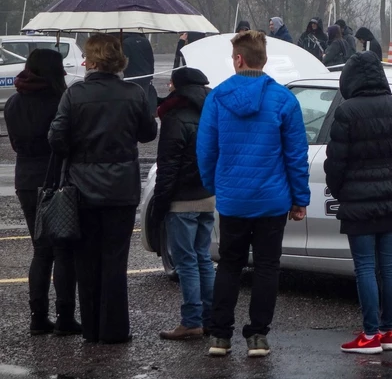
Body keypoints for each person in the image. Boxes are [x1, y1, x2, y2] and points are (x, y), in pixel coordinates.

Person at [197, 30, 310, 358]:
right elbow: (295, 154)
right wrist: (299, 198)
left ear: (238, 59)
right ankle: (258, 336)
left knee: (230, 265)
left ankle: (219, 336)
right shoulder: (284, 100)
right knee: (266, 267)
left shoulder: (217, 98)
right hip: (272, 200)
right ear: (263, 60)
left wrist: (215, 185)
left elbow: (205, 151)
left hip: (233, 198)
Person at [48, 34, 159, 344]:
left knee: (86, 260)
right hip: (121, 189)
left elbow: (56, 138)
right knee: (115, 260)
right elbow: (148, 133)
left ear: (93, 61)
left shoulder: (74, 95)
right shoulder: (134, 93)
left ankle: (92, 328)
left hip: (81, 189)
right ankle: (114, 329)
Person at [325, 52, 392, 355]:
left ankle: (369, 335)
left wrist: (339, 190)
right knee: (389, 264)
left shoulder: (346, 112)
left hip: (358, 202)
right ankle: (388, 331)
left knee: (365, 266)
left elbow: (335, 162)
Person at [4, 49, 80, 337]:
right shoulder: (61, 101)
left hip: (25, 178)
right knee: (62, 250)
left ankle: (38, 315)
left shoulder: (13, 103)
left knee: (40, 250)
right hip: (56, 177)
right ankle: (65, 316)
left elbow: (14, 143)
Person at [151, 67, 215, 341]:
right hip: (207, 195)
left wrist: (160, 204)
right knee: (203, 258)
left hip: (182, 199)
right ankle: (211, 317)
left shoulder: (175, 117)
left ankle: (191, 321)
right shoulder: (212, 111)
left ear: (179, 87)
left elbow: (168, 166)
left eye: (171, 83)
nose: (168, 87)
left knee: (186, 260)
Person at [122, 32, 157, 115]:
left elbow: (125, 60)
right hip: (145, 76)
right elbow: (151, 59)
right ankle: (145, 116)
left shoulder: (126, 43)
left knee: (132, 99)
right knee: (144, 98)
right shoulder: (146, 41)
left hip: (131, 76)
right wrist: (151, 73)